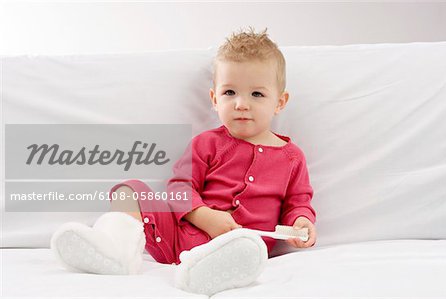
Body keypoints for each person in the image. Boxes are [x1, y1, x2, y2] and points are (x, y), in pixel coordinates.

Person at [51, 27, 316, 296]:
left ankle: (206, 272)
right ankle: (115, 251)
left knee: (245, 249)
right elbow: (178, 188)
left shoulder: (292, 157)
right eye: (229, 93)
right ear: (214, 99)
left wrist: (301, 221)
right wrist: (204, 216)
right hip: (179, 235)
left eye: (256, 94)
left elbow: (298, 203)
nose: (241, 104)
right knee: (128, 190)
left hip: (241, 243)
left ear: (280, 102)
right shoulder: (207, 143)